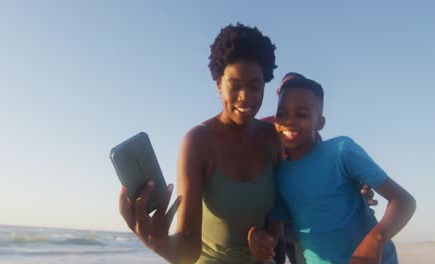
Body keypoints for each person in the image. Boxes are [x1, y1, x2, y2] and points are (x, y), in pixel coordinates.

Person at [119, 23, 282, 264]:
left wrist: (263, 240)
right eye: (234, 85)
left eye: (254, 86)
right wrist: (156, 242)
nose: (245, 96)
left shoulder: (272, 138)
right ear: (218, 85)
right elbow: (188, 248)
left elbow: (276, 221)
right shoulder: (198, 142)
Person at [250, 77, 416, 263]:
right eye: (282, 114)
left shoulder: (341, 151)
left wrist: (375, 239)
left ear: (320, 122)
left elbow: (404, 202)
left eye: (301, 114)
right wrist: (255, 236)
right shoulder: (281, 175)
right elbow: (274, 231)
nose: (289, 121)